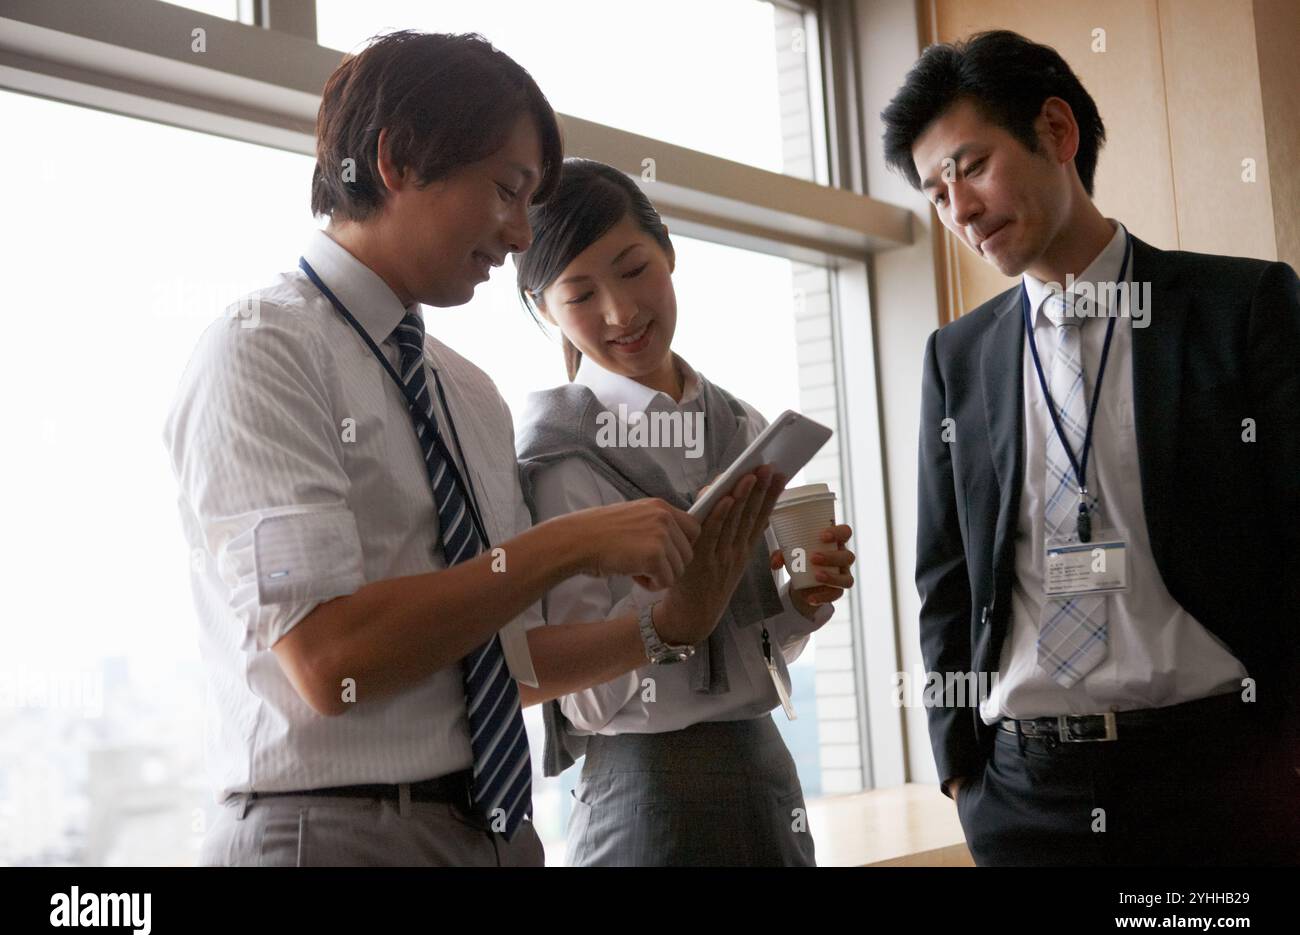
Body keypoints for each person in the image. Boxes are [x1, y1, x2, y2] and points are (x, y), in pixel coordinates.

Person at [163, 31, 771, 867]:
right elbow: (330, 660)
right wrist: (568, 545)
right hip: (331, 831)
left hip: (494, 828)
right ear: (396, 160)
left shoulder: (469, 392)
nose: (521, 234)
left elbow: (511, 665)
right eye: (507, 191)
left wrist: (667, 626)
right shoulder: (264, 348)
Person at [882, 29, 1299, 865]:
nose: (960, 210)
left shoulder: (1241, 305)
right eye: (936, 192)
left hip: (1219, 780)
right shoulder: (956, 359)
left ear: (1057, 131)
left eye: (972, 167)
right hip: (1025, 798)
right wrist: (962, 773)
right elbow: (945, 579)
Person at [513, 158, 857, 866]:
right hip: (645, 785)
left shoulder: (742, 426)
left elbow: (758, 648)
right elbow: (579, 701)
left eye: (635, 269)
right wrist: (669, 615)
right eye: (581, 294)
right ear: (542, 309)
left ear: (668, 249)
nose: (621, 312)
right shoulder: (559, 458)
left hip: (763, 763)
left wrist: (800, 601)